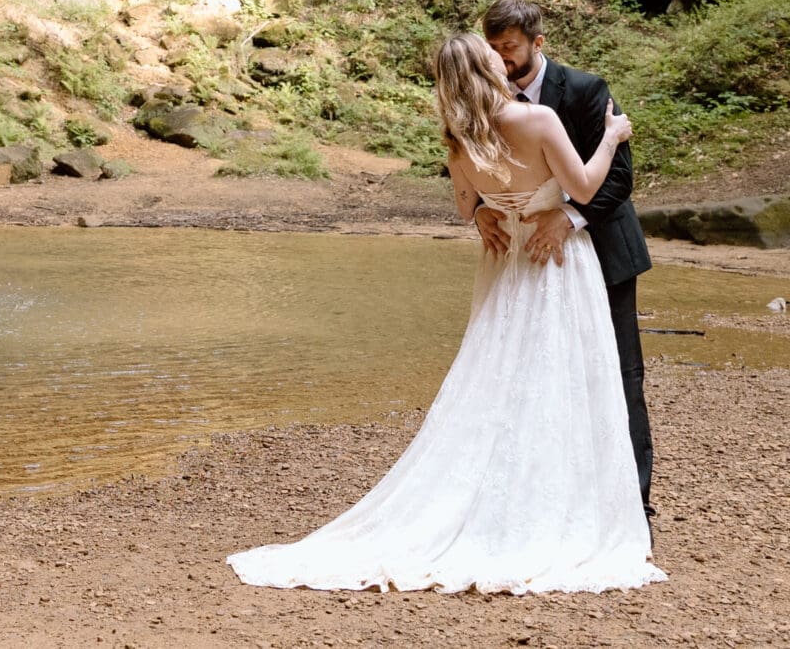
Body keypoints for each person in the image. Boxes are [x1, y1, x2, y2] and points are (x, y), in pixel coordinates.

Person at [227, 32, 664, 595]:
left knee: (500, 383)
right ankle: (558, 509)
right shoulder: (537, 121)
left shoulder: (459, 140)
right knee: (566, 381)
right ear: (486, 68)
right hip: (556, 267)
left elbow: (466, 206)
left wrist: (490, 211)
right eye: (490, 54)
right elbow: (583, 184)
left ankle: (512, 503)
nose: (497, 56)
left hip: (507, 267)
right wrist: (611, 136)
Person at [473, 0, 655, 516]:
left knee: (618, 373)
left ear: (538, 42)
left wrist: (569, 216)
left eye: (509, 48)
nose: (501, 59)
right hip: (527, 259)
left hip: (601, 246)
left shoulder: (583, 90)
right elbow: (472, 168)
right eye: (493, 48)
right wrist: (481, 212)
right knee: (533, 373)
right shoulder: (484, 96)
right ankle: (543, 498)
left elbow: (620, 175)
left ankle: (632, 503)